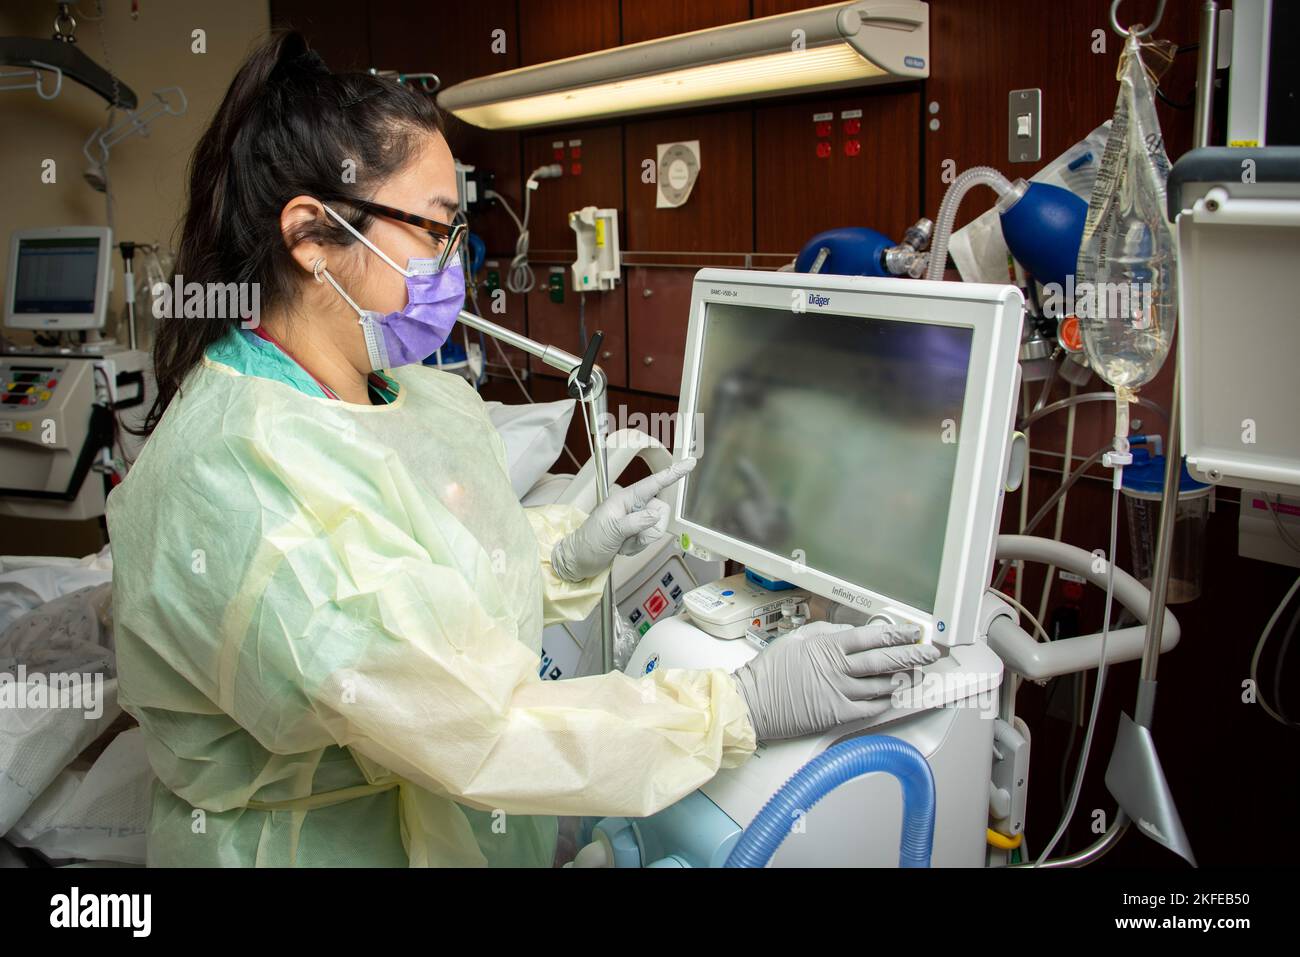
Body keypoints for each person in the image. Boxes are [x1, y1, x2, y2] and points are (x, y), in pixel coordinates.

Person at [107, 31, 939, 867]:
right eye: (433, 229)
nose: (455, 261)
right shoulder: (240, 475)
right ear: (313, 237)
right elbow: (472, 724)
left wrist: (565, 558)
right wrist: (736, 708)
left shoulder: (392, 393)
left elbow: (426, 582)